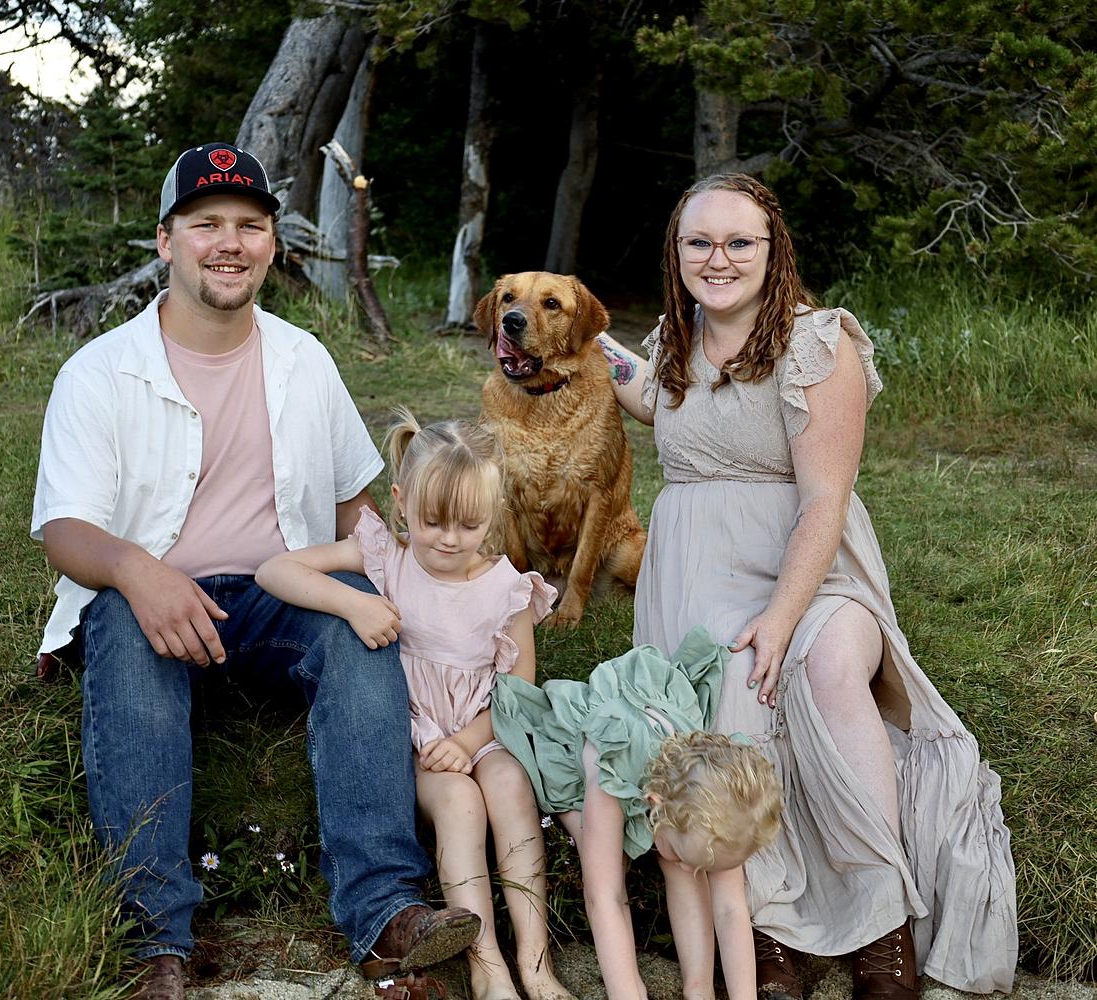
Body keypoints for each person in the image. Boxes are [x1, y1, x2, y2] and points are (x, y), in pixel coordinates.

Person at [30, 142, 479, 1000]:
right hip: (158, 605)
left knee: (356, 618)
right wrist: (136, 570)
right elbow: (65, 529)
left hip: (280, 595)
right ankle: (152, 940)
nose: (229, 243)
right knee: (121, 621)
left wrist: (422, 585)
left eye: (249, 225)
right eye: (206, 225)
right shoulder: (99, 372)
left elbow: (351, 508)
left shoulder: (303, 359)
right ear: (166, 241)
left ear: (273, 244)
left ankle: (385, 912)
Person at [594, 173, 1017, 999]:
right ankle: (767, 930)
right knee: (729, 695)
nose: (717, 259)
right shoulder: (675, 339)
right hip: (694, 579)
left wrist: (781, 617)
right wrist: (579, 339)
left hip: (812, 572)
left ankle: (882, 925)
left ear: (772, 249)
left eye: (738, 242)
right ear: (676, 252)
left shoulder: (817, 344)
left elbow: (824, 500)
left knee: (820, 669)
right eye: (698, 242)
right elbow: (652, 397)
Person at [256, 411, 575, 1000]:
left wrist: (470, 742)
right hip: (417, 737)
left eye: (469, 524)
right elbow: (274, 571)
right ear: (401, 503)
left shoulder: (506, 587)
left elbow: (519, 693)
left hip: (485, 731)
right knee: (458, 801)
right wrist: (352, 604)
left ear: (494, 513)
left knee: (509, 787)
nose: (449, 539)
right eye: (432, 522)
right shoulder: (387, 557)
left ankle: (535, 961)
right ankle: (486, 964)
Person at [491, 632, 784, 1000]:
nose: (690, 869)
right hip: (582, 758)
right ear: (655, 803)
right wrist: (628, 992)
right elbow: (605, 898)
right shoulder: (609, 779)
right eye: (684, 854)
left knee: (682, 865)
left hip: (659, 755)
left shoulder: (720, 803)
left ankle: (699, 989)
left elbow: (730, 909)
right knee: (604, 851)